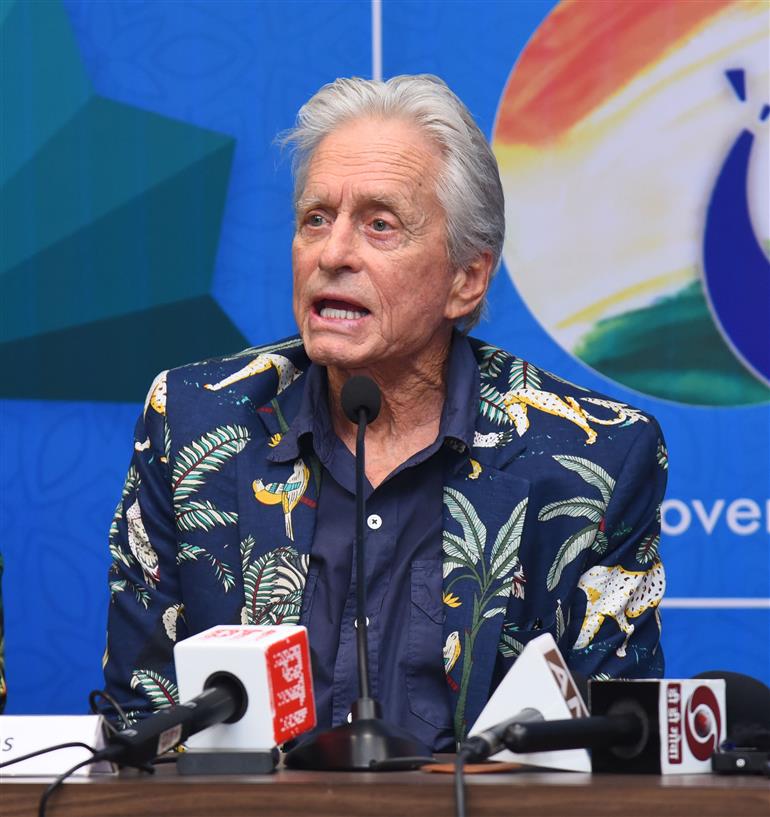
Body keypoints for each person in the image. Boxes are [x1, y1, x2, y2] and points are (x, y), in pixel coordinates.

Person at [104, 75, 667, 749]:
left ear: (468, 278)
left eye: (380, 224)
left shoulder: (594, 458)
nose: (333, 254)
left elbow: (612, 745)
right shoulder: (196, 421)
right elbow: (138, 724)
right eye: (316, 218)